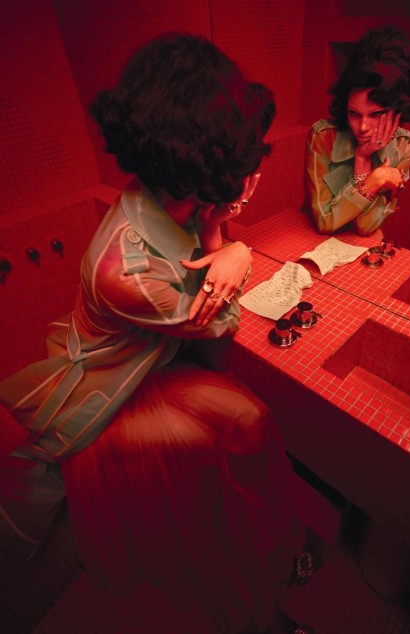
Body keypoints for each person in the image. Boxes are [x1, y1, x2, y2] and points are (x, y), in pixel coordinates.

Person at [0, 34, 317, 633]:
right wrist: (230, 245)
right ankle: (254, 594)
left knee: (251, 420)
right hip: (108, 391)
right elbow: (217, 324)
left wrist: (220, 228)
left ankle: (274, 548)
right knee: (218, 465)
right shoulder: (126, 274)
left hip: (147, 356)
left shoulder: (168, 198)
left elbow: (199, 287)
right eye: (244, 166)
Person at [304, 25, 410, 236]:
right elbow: (324, 222)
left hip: (361, 247)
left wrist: (365, 168)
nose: (363, 127)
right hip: (309, 240)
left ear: (397, 111)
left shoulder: (404, 146)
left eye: (375, 114)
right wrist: (376, 176)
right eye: (354, 113)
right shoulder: (323, 137)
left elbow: (365, 227)